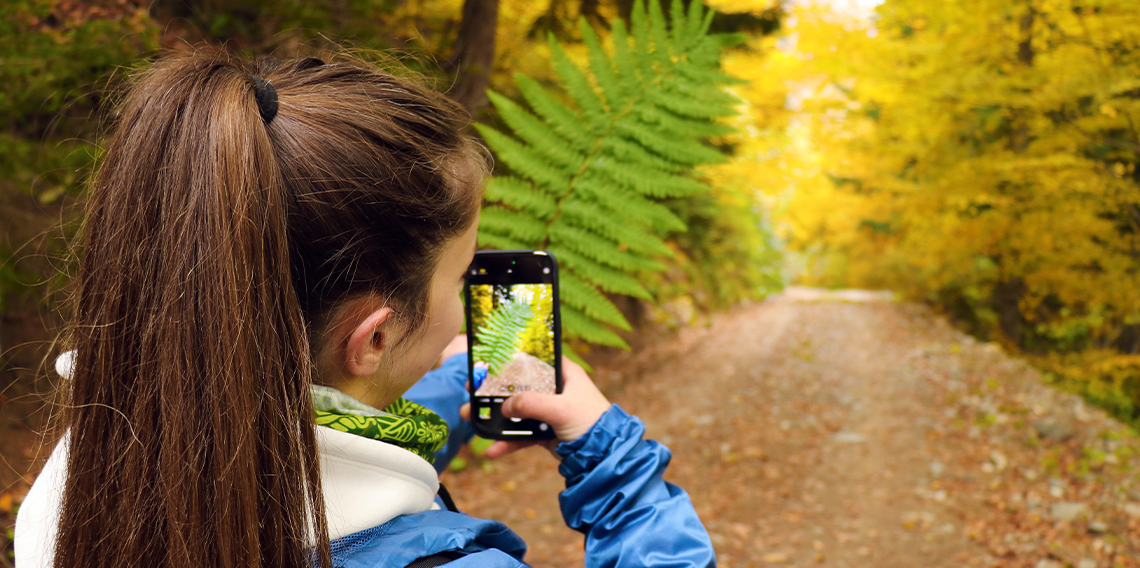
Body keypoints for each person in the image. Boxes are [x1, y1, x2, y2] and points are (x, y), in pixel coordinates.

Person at [13, 49, 715, 568]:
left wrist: (459, 382)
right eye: (463, 277)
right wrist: (613, 459)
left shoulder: (77, 492)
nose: (467, 304)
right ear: (374, 340)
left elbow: (323, 431)